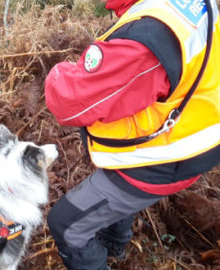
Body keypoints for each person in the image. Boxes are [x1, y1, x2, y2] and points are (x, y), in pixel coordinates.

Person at [44, 0, 220, 269]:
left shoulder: (144, 38)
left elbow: (69, 103)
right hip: (197, 131)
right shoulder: (182, 7)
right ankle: (115, 245)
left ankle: (108, 250)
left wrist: (60, 71)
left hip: (162, 159)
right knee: (110, 180)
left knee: (66, 225)